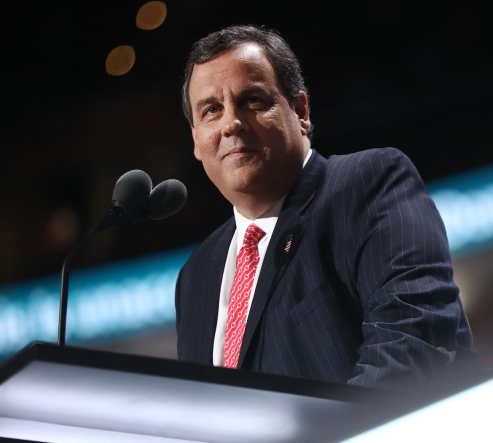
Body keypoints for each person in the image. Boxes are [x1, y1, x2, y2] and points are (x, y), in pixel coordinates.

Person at [175, 24, 474, 390]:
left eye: (252, 100)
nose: (232, 123)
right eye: (211, 110)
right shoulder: (196, 275)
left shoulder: (368, 184)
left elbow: (411, 348)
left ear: (300, 110)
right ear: (195, 140)